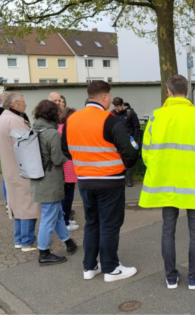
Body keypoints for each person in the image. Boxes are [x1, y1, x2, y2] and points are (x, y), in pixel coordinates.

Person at [138, 74, 195, 290]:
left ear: (169, 91)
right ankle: (194, 277)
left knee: (168, 229)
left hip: (165, 183)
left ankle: (171, 277)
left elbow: (147, 153)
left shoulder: (156, 117)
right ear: (188, 91)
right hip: (193, 183)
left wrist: (159, 170)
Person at [62, 81, 139, 283]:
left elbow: (65, 150)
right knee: (110, 224)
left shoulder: (72, 119)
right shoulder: (110, 120)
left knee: (92, 222)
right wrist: (123, 165)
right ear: (105, 97)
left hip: (85, 181)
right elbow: (130, 152)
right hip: (110, 180)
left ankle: (89, 266)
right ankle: (111, 269)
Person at [30, 100, 78, 266]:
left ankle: (68, 242)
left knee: (56, 213)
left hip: (39, 177)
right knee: (49, 216)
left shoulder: (34, 129)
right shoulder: (52, 133)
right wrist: (70, 158)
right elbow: (57, 159)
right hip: (51, 179)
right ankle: (44, 252)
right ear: (53, 114)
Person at [0, 93, 41, 252]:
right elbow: (26, 146)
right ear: (15, 104)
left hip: (10, 167)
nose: (26, 105)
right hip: (22, 168)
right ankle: (27, 241)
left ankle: (19, 239)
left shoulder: (2, 117)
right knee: (27, 204)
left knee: (17, 204)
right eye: (23, 102)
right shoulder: (15, 120)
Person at [58, 107, 79, 231]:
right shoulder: (65, 129)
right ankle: (65, 222)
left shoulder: (60, 128)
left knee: (66, 195)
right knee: (67, 196)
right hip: (68, 167)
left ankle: (66, 220)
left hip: (66, 167)